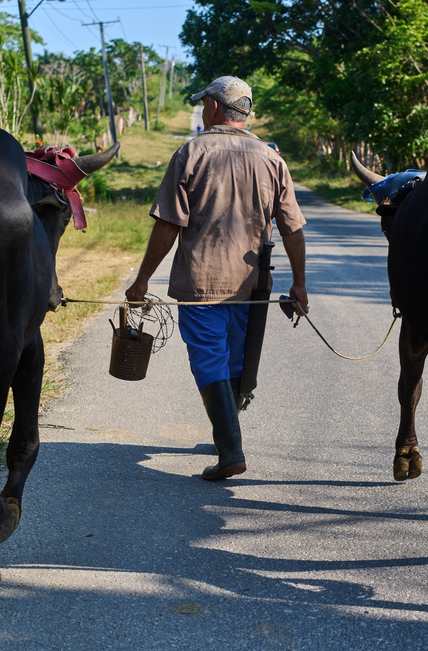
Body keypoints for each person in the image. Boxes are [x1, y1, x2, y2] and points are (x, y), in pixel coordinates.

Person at [125, 75, 308, 481]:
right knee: (237, 359)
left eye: (204, 102)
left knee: (211, 359)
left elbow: (168, 225)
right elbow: (292, 227)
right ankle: (230, 433)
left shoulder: (191, 153)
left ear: (211, 106)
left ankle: (230, 451)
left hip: (201, 283)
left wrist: (141, 283)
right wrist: (299, 284)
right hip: (252, 286)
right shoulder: (271, 158)